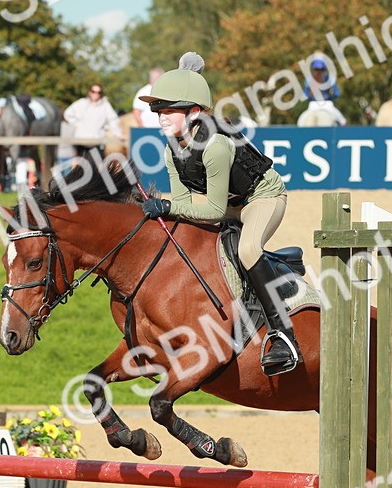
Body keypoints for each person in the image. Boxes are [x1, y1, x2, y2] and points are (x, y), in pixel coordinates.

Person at [138, 52, 299, 376]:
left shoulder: (214, 146)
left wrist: (168, 206)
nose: (161, 117)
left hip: (263, 198)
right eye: (158, 111)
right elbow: (185, 204)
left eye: (169, 110)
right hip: (228, 205)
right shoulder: (172, 149)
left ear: (194, 111)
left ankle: (284, 335)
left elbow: (209, 210)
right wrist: (165, 212)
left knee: (248, 249)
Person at [61, 83, 123, 168]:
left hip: (97, 143)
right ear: (90, 92)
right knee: (80, 168)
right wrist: (75, 124)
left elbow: (113, 120)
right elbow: (68, 113)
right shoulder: (81, 103)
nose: (96, 94)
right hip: (81, 142)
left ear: (101, 94)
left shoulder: (105, 105)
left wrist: (118, 134)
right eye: (93, 91)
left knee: (97, 168)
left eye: (98, 92)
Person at [302, 58, 347, 126]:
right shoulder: (329, 79)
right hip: (327, 104)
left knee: (302, 122)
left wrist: (310, 97)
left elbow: (305, 95)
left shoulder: (309, 79)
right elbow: (336, 93)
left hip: (313, 105)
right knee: (342, 121)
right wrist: (330, 97)